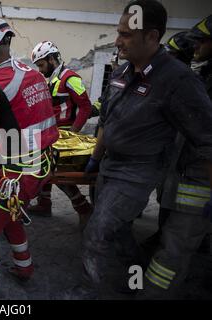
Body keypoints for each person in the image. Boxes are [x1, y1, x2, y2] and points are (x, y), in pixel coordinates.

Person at [65, 0, 212, 299]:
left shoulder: (178, 80)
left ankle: (89, 291)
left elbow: (206, 136)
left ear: (153, 37)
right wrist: (94, 159)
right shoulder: (121, 72)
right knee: (118, 234)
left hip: (138, 171)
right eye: (118, 32)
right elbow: (107, 118)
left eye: (127, 34)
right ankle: (133, 278)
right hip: (109, 166)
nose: (118, 41)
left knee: (98, 234)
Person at [0, 15, 59, 299]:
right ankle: (24, 267)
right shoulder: (31, 72)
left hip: (17, 174)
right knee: (12, 217)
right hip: (43, 164)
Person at [138, 15, 212, 299]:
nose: (197, 46)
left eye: (203, 41)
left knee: (175, 248)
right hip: (181, 169)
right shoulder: (197, 78)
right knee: (171, 234)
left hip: (199, 175)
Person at [28, 40, 93, 228]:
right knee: (46, 169)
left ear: (51, 59)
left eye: (41, 65)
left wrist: (73, 133)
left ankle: (83, 207)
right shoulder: (51, 78)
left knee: (58, 175)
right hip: (51, 134)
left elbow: (85, 106)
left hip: (64, 135)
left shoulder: (71, 78)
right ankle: (44, 203)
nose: (40, 70)